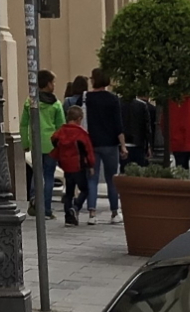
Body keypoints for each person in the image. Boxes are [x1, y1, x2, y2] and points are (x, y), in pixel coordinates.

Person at [83, 69, 125, 223]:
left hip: (92, 143)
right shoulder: (113, 99)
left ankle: (92, 214)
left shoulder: (88, 98)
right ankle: (114, 212)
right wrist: (123, 145)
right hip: (110, 144)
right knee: (111, 178)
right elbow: (118, 125)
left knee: (92, 178)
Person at [22, 71, 64, 220]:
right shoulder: (56, 104)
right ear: (47, 84)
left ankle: (34, 197)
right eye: (53, 82)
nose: (54, 85)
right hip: (52, 144)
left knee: (36, 173)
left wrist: (25, 143)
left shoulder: (30, 102)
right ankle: (46, 209)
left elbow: (24, 124)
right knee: (49, 176)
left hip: (36, 142)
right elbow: (61, 126)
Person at [53, 101, 93, 225]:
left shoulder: (61, 131)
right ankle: (75, 208)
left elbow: (53, 140)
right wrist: (91, 165)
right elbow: (88, 150)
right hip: (78, 165)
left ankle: (68, 218)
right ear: (79, 119)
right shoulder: (81, 133)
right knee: (85, 189)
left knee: (69, 192)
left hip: (66, 165)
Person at [121, 88, 155, 171]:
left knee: (124, 170)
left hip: (123, 143)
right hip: (138, 143)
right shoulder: (142, 105)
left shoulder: (119, 104)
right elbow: (147, 128)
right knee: (140, 171)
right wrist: (149, 145)